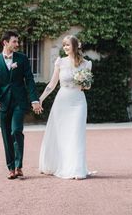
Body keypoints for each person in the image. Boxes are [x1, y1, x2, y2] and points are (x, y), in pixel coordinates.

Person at [0, 30, 42, 180]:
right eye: (14, 42)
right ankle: (11, 168)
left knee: (16, 131)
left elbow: (29, 80)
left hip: (19, 101)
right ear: (5, 43)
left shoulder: (22, 59)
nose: (17, 44)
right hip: (3, 103)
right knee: (6, 136)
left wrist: (34, 100)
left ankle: (19, 166)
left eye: (18, 42)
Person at [38, 34, 92, 179]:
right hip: (62, 101)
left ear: (75, 46)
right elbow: (52, 83)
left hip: (78, 102)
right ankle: (60, 164)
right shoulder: (60, 62)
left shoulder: (86, 64)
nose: (66, 47)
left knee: (76, 134)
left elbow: (87, 87)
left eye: (68, 45)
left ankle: (76, 169)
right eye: (64, 45)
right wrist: (41, 99)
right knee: (62, 135)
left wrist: (83, 81)